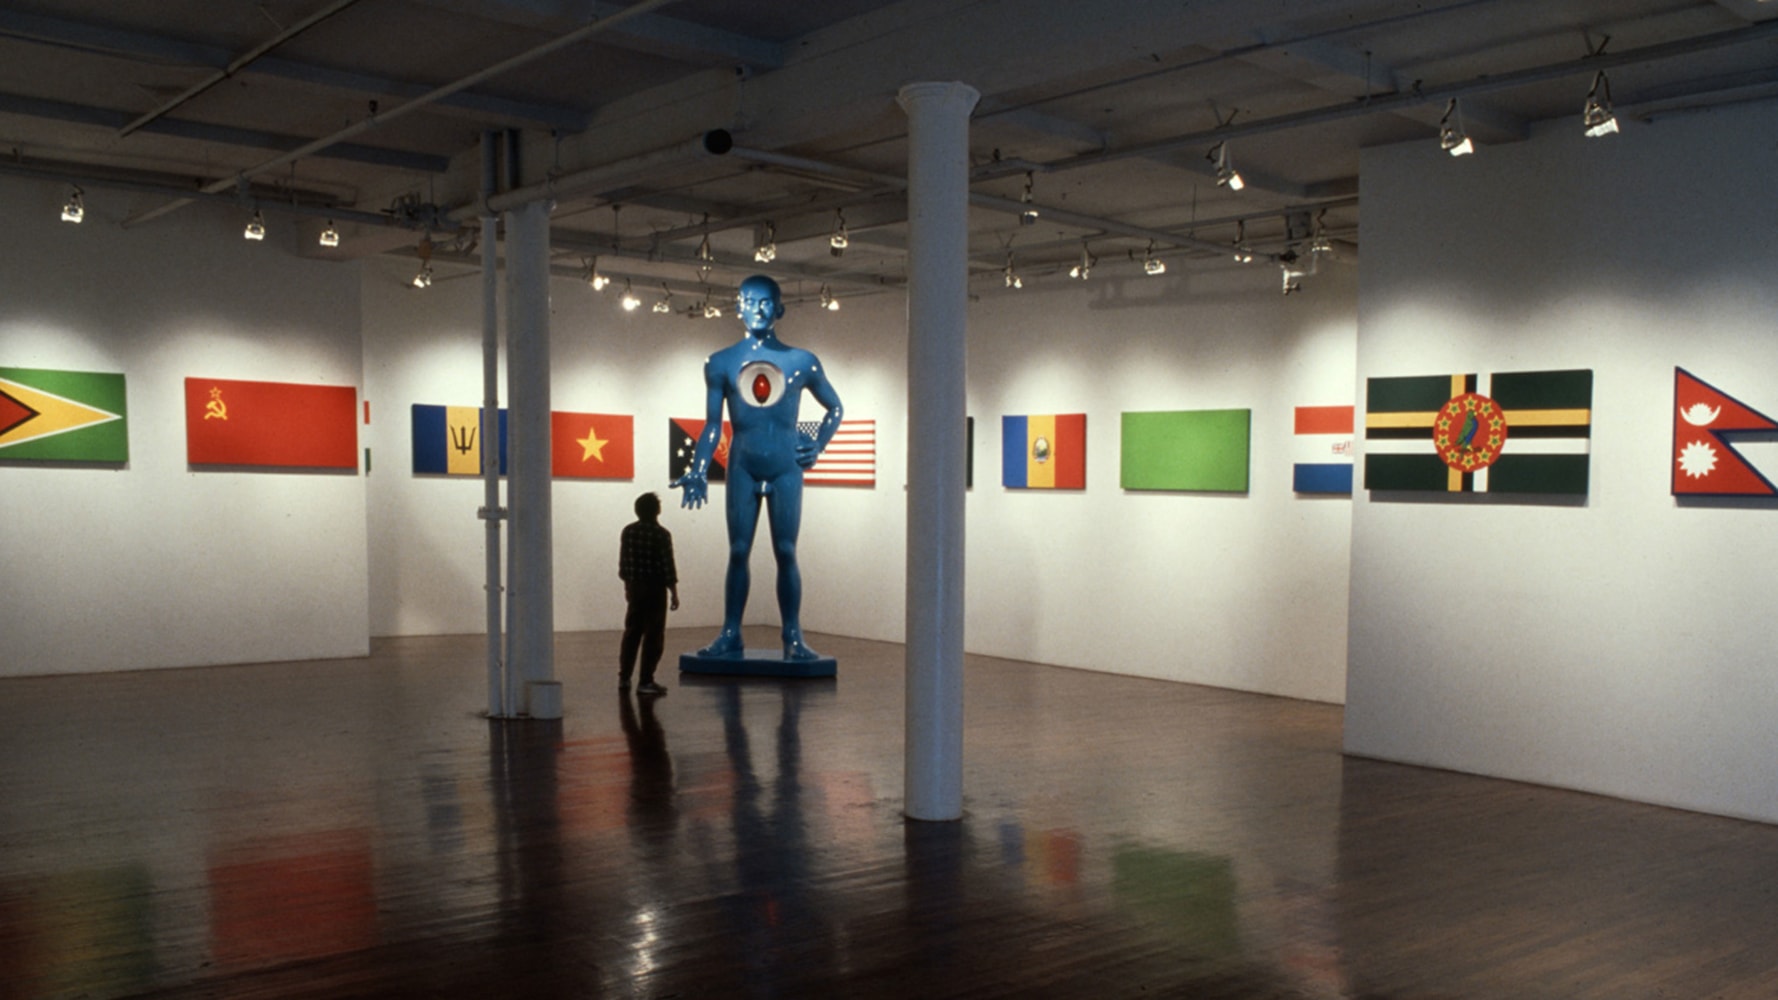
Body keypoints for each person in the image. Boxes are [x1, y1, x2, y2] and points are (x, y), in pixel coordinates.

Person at [672, 275, 843, 661]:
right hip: (743, 464)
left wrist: (819, 444)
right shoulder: (720, 363)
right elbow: (714, 425)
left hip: (786, 465)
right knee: (737, 550)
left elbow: (835, 407)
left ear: (780, 309)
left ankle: (793, 635)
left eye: (766, 302)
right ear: (738, 308)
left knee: (786, 550)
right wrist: (698, 468)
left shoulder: (802, 362)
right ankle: (731, 631)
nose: (758, 308)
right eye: (749, 301)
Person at [618, 491, 679, 694]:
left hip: (635, 587)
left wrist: (628, 586)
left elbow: (624, 563)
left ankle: (624, 678)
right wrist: (674, 592)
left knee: (632, 633)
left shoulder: (628, 532)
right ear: (657, 511)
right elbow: (667, 566)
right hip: (655, 589)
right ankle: (646, 680)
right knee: (653, 636)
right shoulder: (661, 535)